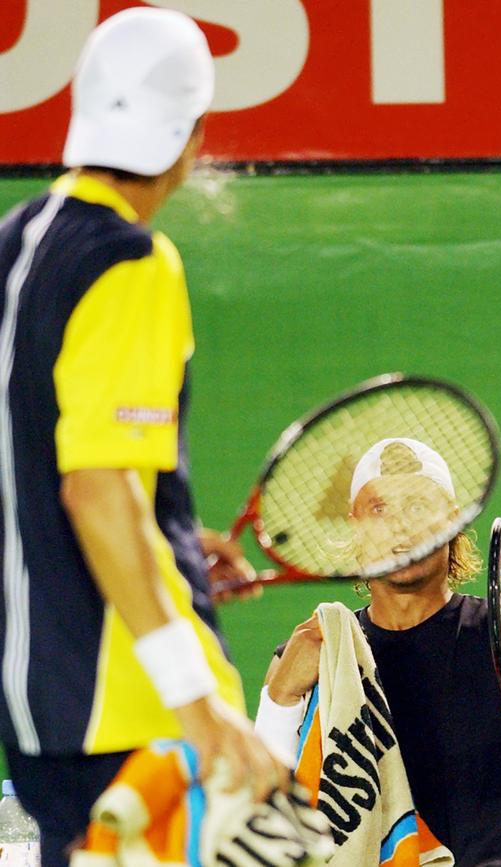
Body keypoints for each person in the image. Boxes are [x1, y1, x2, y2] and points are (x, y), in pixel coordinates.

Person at [0, 9, 287, 866]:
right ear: (196, 132)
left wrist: (174, 548)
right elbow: (96, 492)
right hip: (138, 712)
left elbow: (40, 472)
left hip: (37, 711)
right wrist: (195, 698)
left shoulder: (14, 245)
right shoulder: (130, 261)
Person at [256, 437, 501, 866]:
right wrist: (278, 700)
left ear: (453, 522)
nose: (401, 526)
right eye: (381, 509)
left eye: (419, 507)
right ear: (355, 525)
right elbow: (255, 812)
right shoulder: (320, 655)